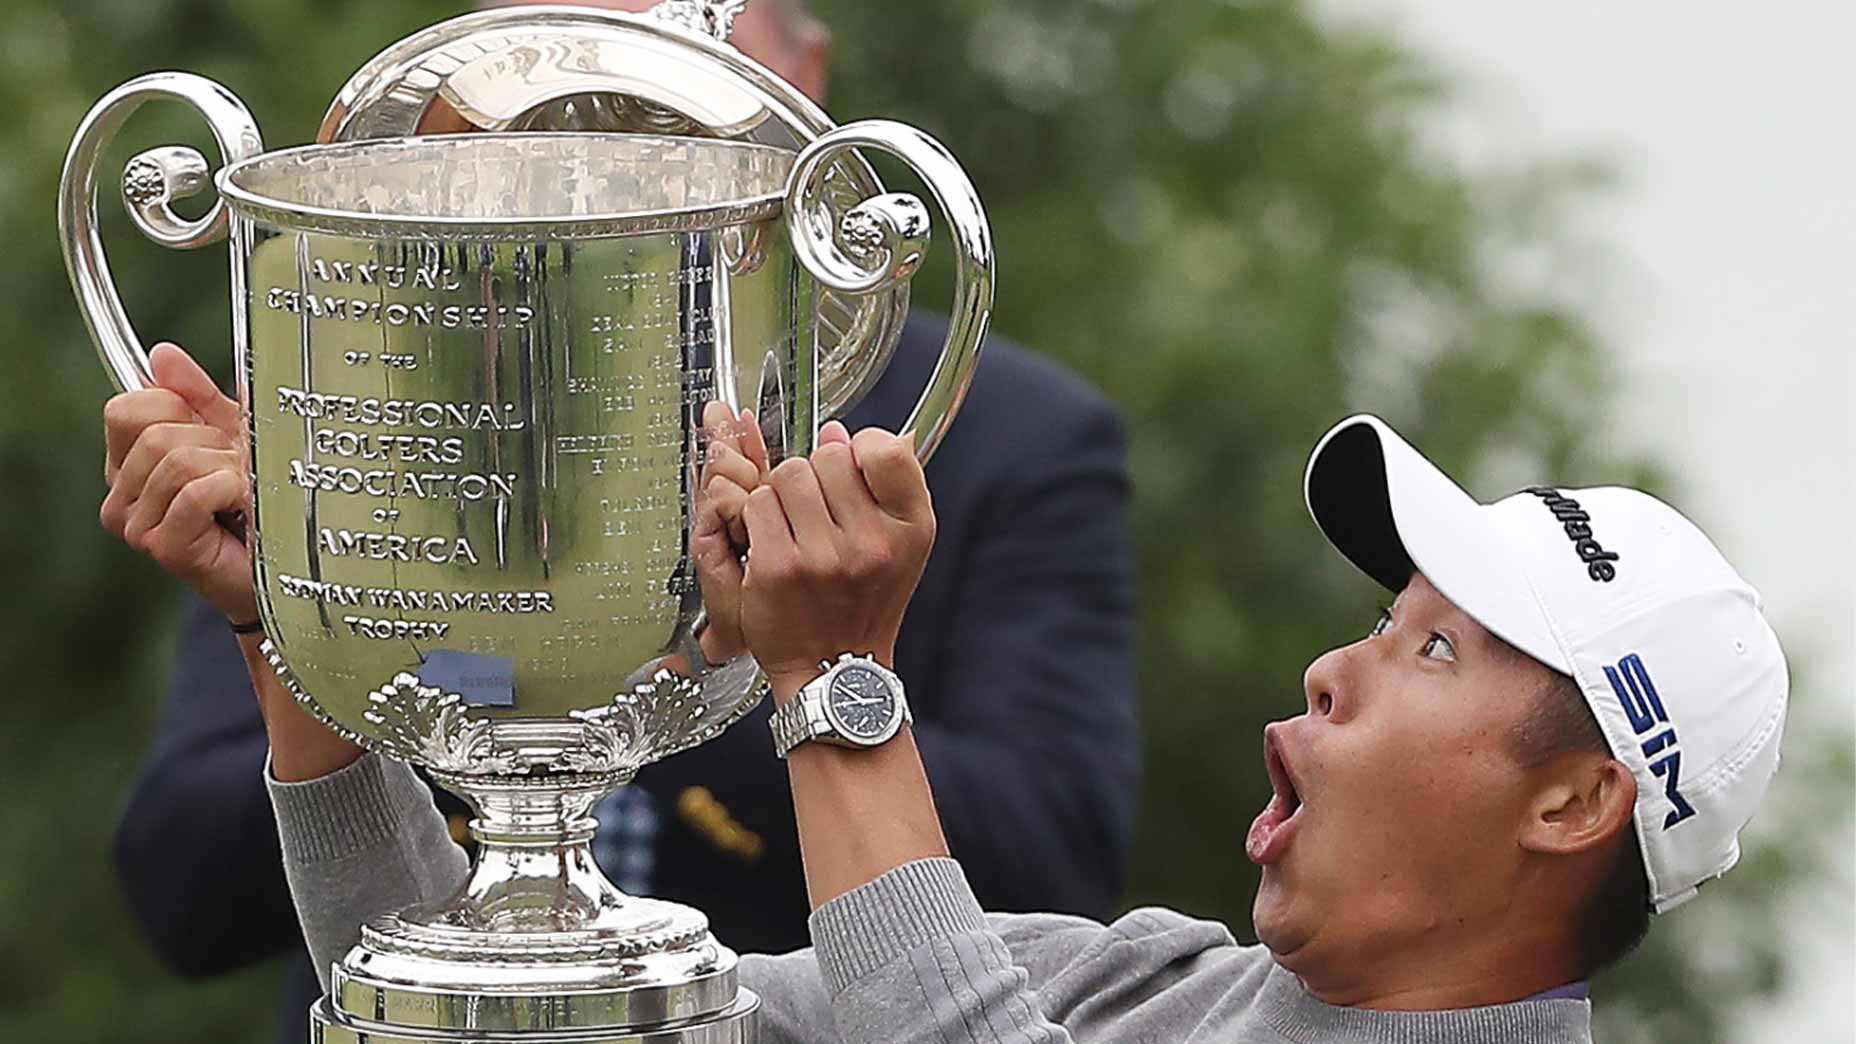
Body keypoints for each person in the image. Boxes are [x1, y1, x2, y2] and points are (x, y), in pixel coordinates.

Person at [105, 4, 1136, 1041]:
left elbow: (1046, 866)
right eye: (548, 56)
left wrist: (722, 658)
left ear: (800, 77)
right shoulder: (360, 388)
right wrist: (416, 642)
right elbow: (183, 895)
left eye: (670, 41)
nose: (597, 128)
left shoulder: (1017, 435)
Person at [206, 412, 1784, 1042]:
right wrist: (295, 649)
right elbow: (507, 1020)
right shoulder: (1142, 977)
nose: (1330, 671)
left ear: (1575, 804)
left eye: (1432, 648)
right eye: (1376, 622)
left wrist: (835, 693)